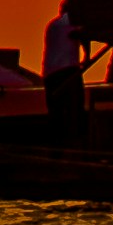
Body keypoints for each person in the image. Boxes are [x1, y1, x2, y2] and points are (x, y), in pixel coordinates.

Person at [42, 9, 86, 142]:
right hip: (67, 70)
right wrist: (87, 55)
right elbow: (83, 34)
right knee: (75, 111)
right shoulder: (70, 20)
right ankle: (76, 144)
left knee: (56, 114)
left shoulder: (53, 25)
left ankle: (56, 148)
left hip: (50, 73)